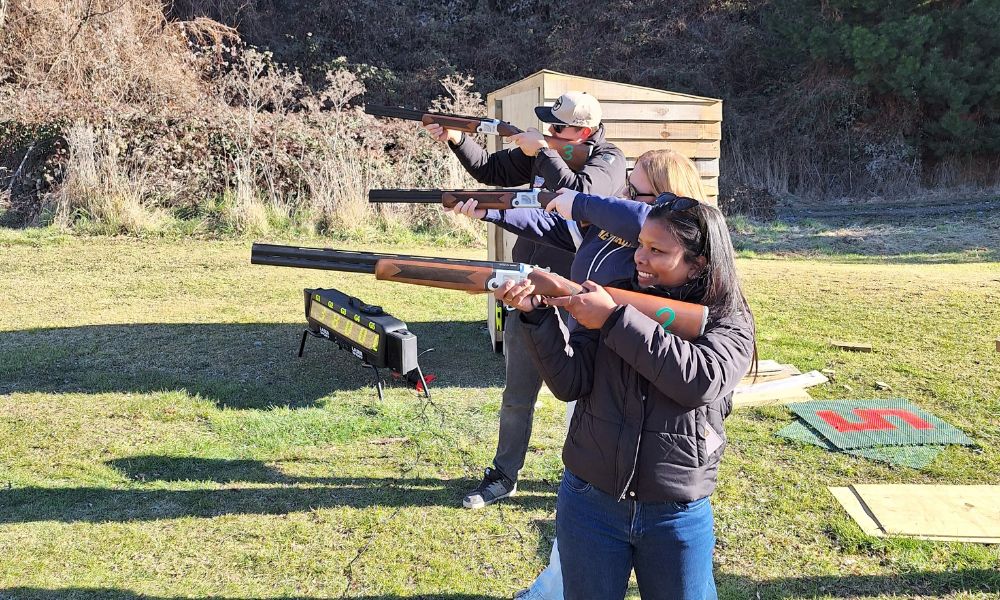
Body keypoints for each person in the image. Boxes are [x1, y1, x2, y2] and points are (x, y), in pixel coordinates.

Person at [452, 148, 710, 600]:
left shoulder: (690, 274)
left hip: (667, 464)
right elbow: (550, 226)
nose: (626, 196)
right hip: (596, 383)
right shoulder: (608, 236)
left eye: (637, 192)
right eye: (628, 188)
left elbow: (699, 376)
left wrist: (577, 200)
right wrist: (494, 211)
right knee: (585, 506)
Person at [494, 195, 757, 600]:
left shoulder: (727, 318)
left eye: (658, 251)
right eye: (640, 244)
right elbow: (570, 383)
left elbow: (700, 380)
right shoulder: (613, 295)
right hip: (589, 500)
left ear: (698, 262)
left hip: (676, 510)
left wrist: (614, 319)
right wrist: (536, 315)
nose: (640, 257)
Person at [424, 91, 626, 509]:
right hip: (528, 291)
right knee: (517, 394)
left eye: (558, 128)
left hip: (579, 297)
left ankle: (586, 482)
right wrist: (457, 139)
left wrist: (542, 151)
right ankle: (504, 475)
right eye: (548, 127)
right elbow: (489, 170)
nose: (549, 133)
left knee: (584, 397)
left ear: (584, 133)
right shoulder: (546, 154)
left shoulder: (608, 162)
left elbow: (579, 196)